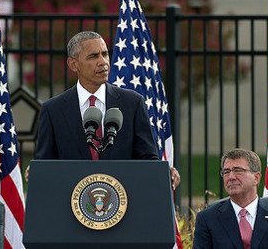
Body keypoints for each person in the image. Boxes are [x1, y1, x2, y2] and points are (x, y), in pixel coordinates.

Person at [26, 31, 180, 189]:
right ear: (73, 64)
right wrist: (38, 170)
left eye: (105, 54)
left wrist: (163, 170)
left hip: (123, 202)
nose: (103, 62)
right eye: (93, 56)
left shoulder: (132, 103)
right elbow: (46, 164)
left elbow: (147, 158)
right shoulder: (53, 110)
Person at [193, 148, 268, 249]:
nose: (231, 177)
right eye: (226, 172)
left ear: (256, 178)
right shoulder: (208, 218)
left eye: (238, 171)